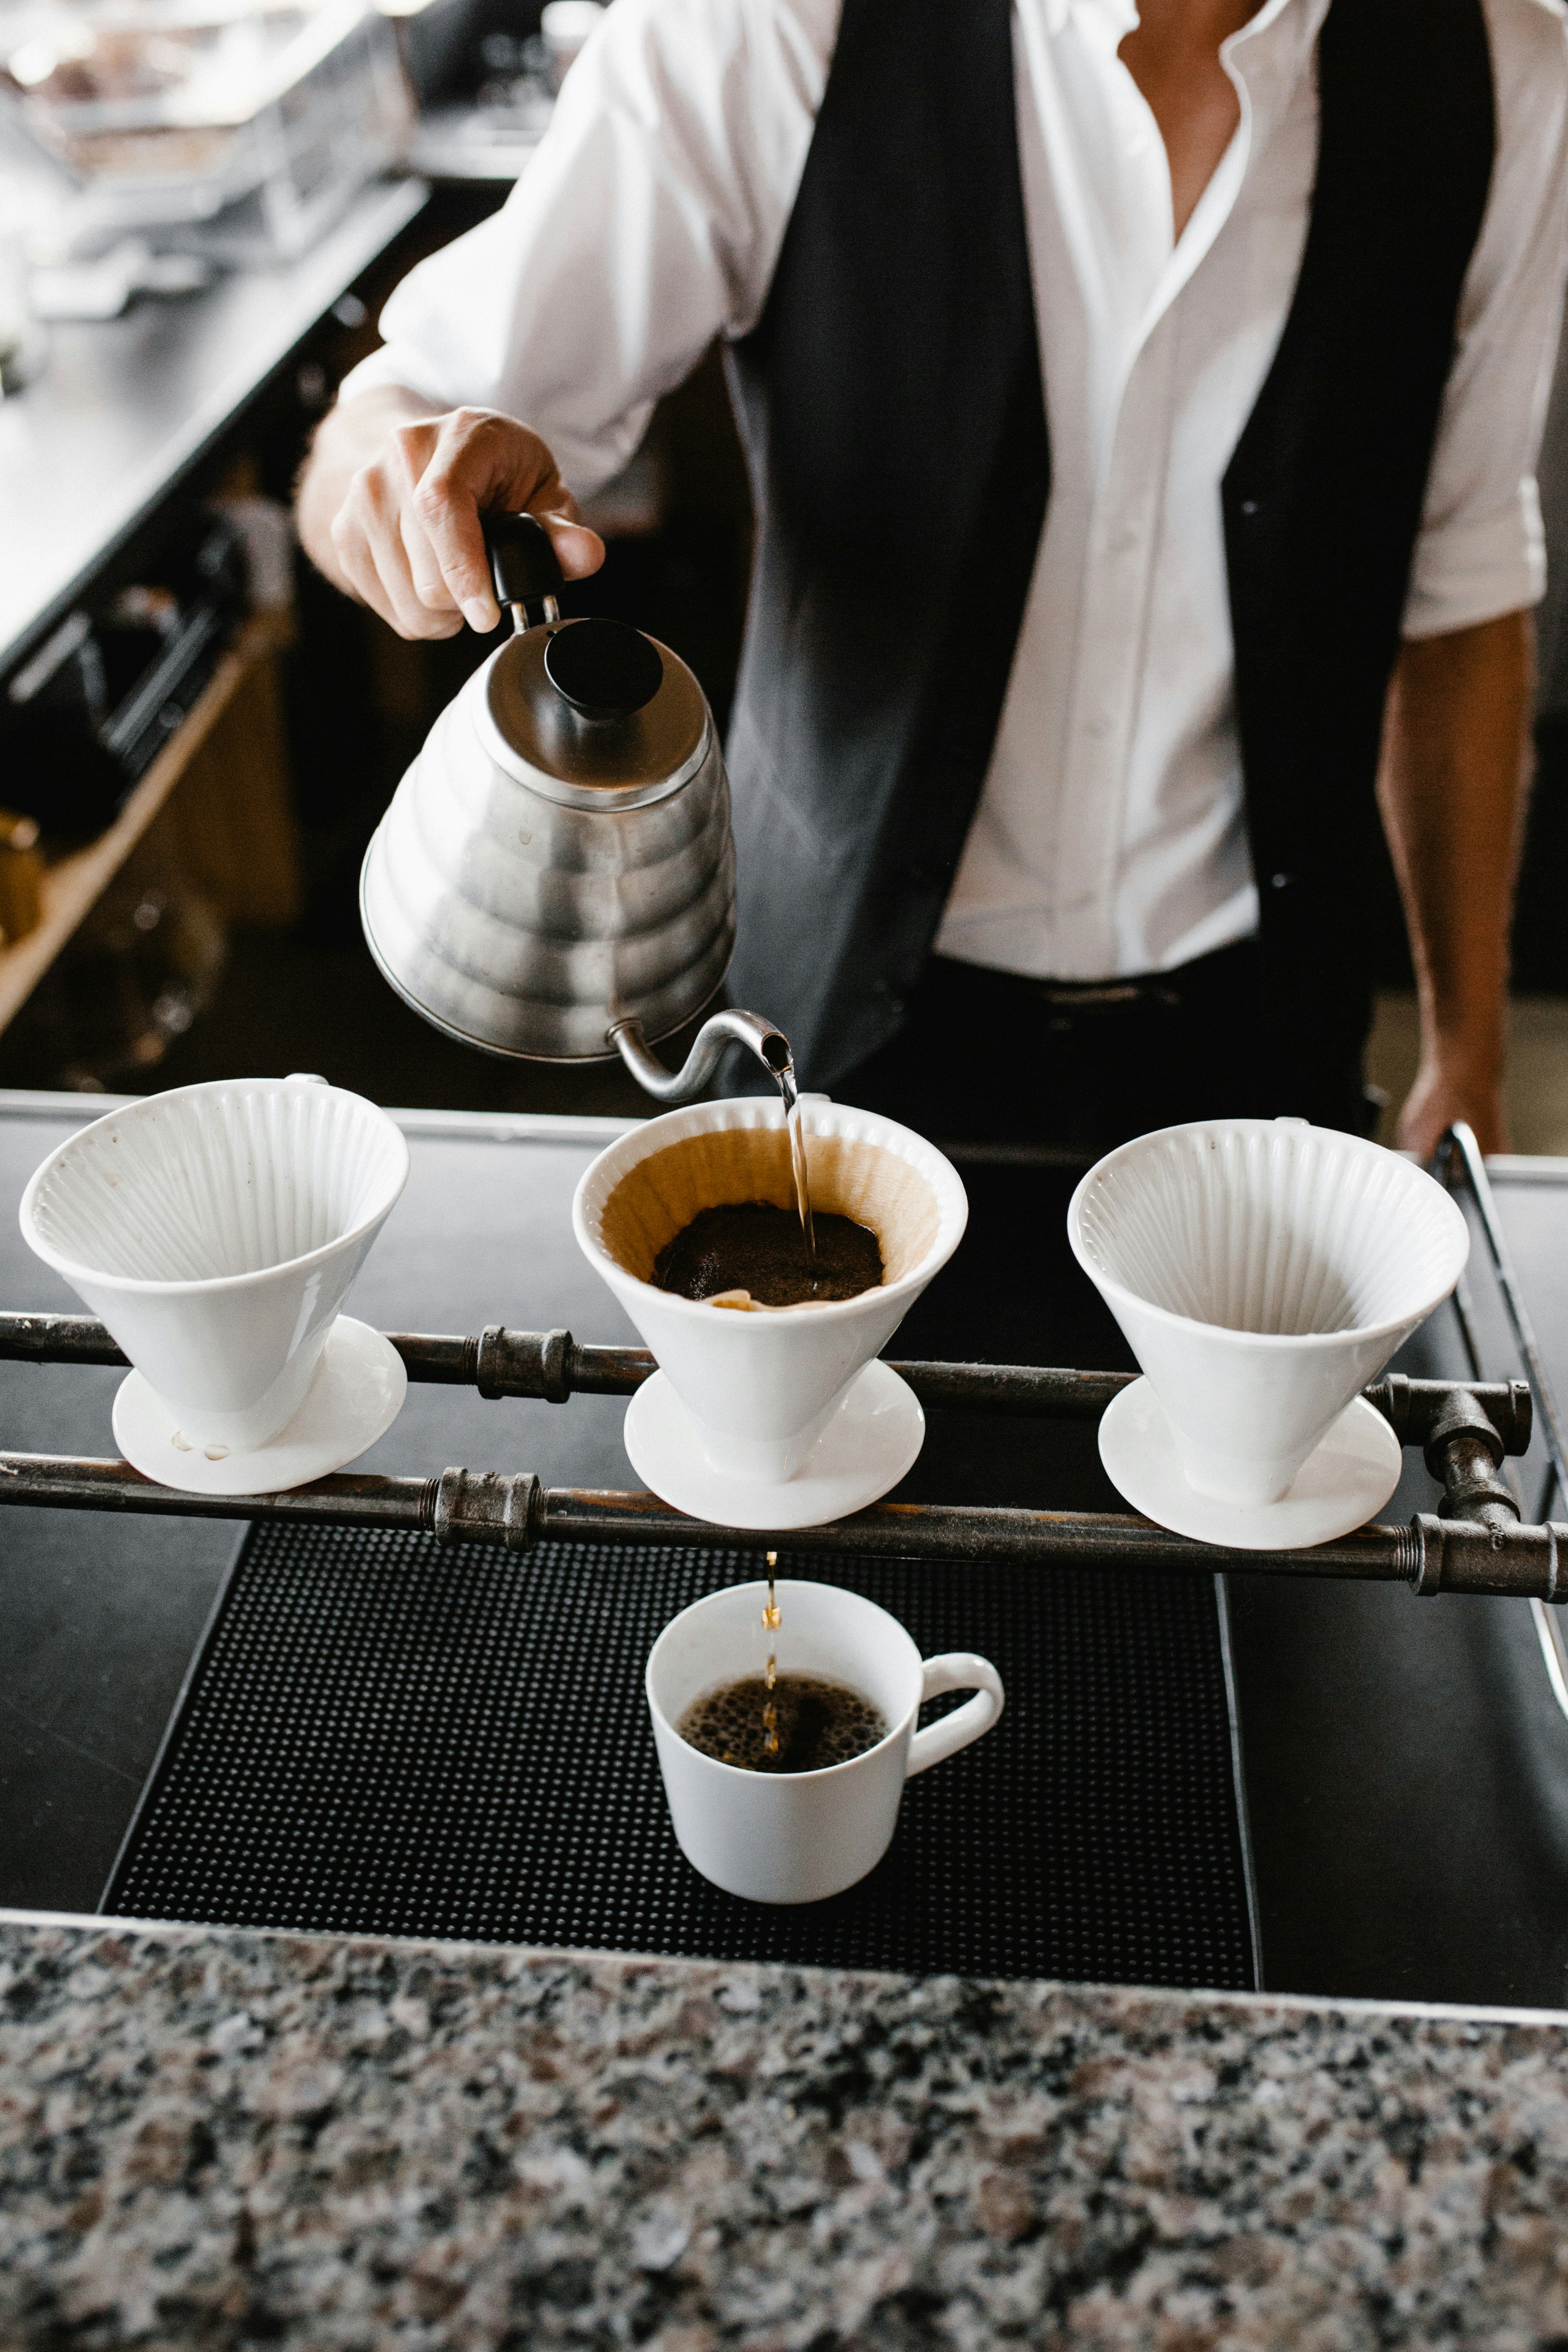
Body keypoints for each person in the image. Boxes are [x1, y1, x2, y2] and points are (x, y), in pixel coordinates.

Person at [297, 0, 1568, 1155]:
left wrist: (1464, 1047)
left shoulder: (1504, 72)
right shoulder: (772, 28)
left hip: (1256, 1048)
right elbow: (410, 410)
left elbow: (1456, 591)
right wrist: (389, 475)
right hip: (834, 1036)